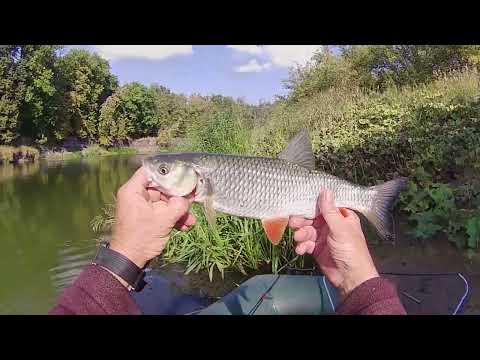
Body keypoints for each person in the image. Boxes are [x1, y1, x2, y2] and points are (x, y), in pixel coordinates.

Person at [49, 167, 406, 315]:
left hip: (303, 191)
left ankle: (370, 199)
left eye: (162, 171)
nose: (156, 176)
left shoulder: (203, 187)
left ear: (196, 176)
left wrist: (120, 258)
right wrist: (357, 278)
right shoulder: (203, 191)